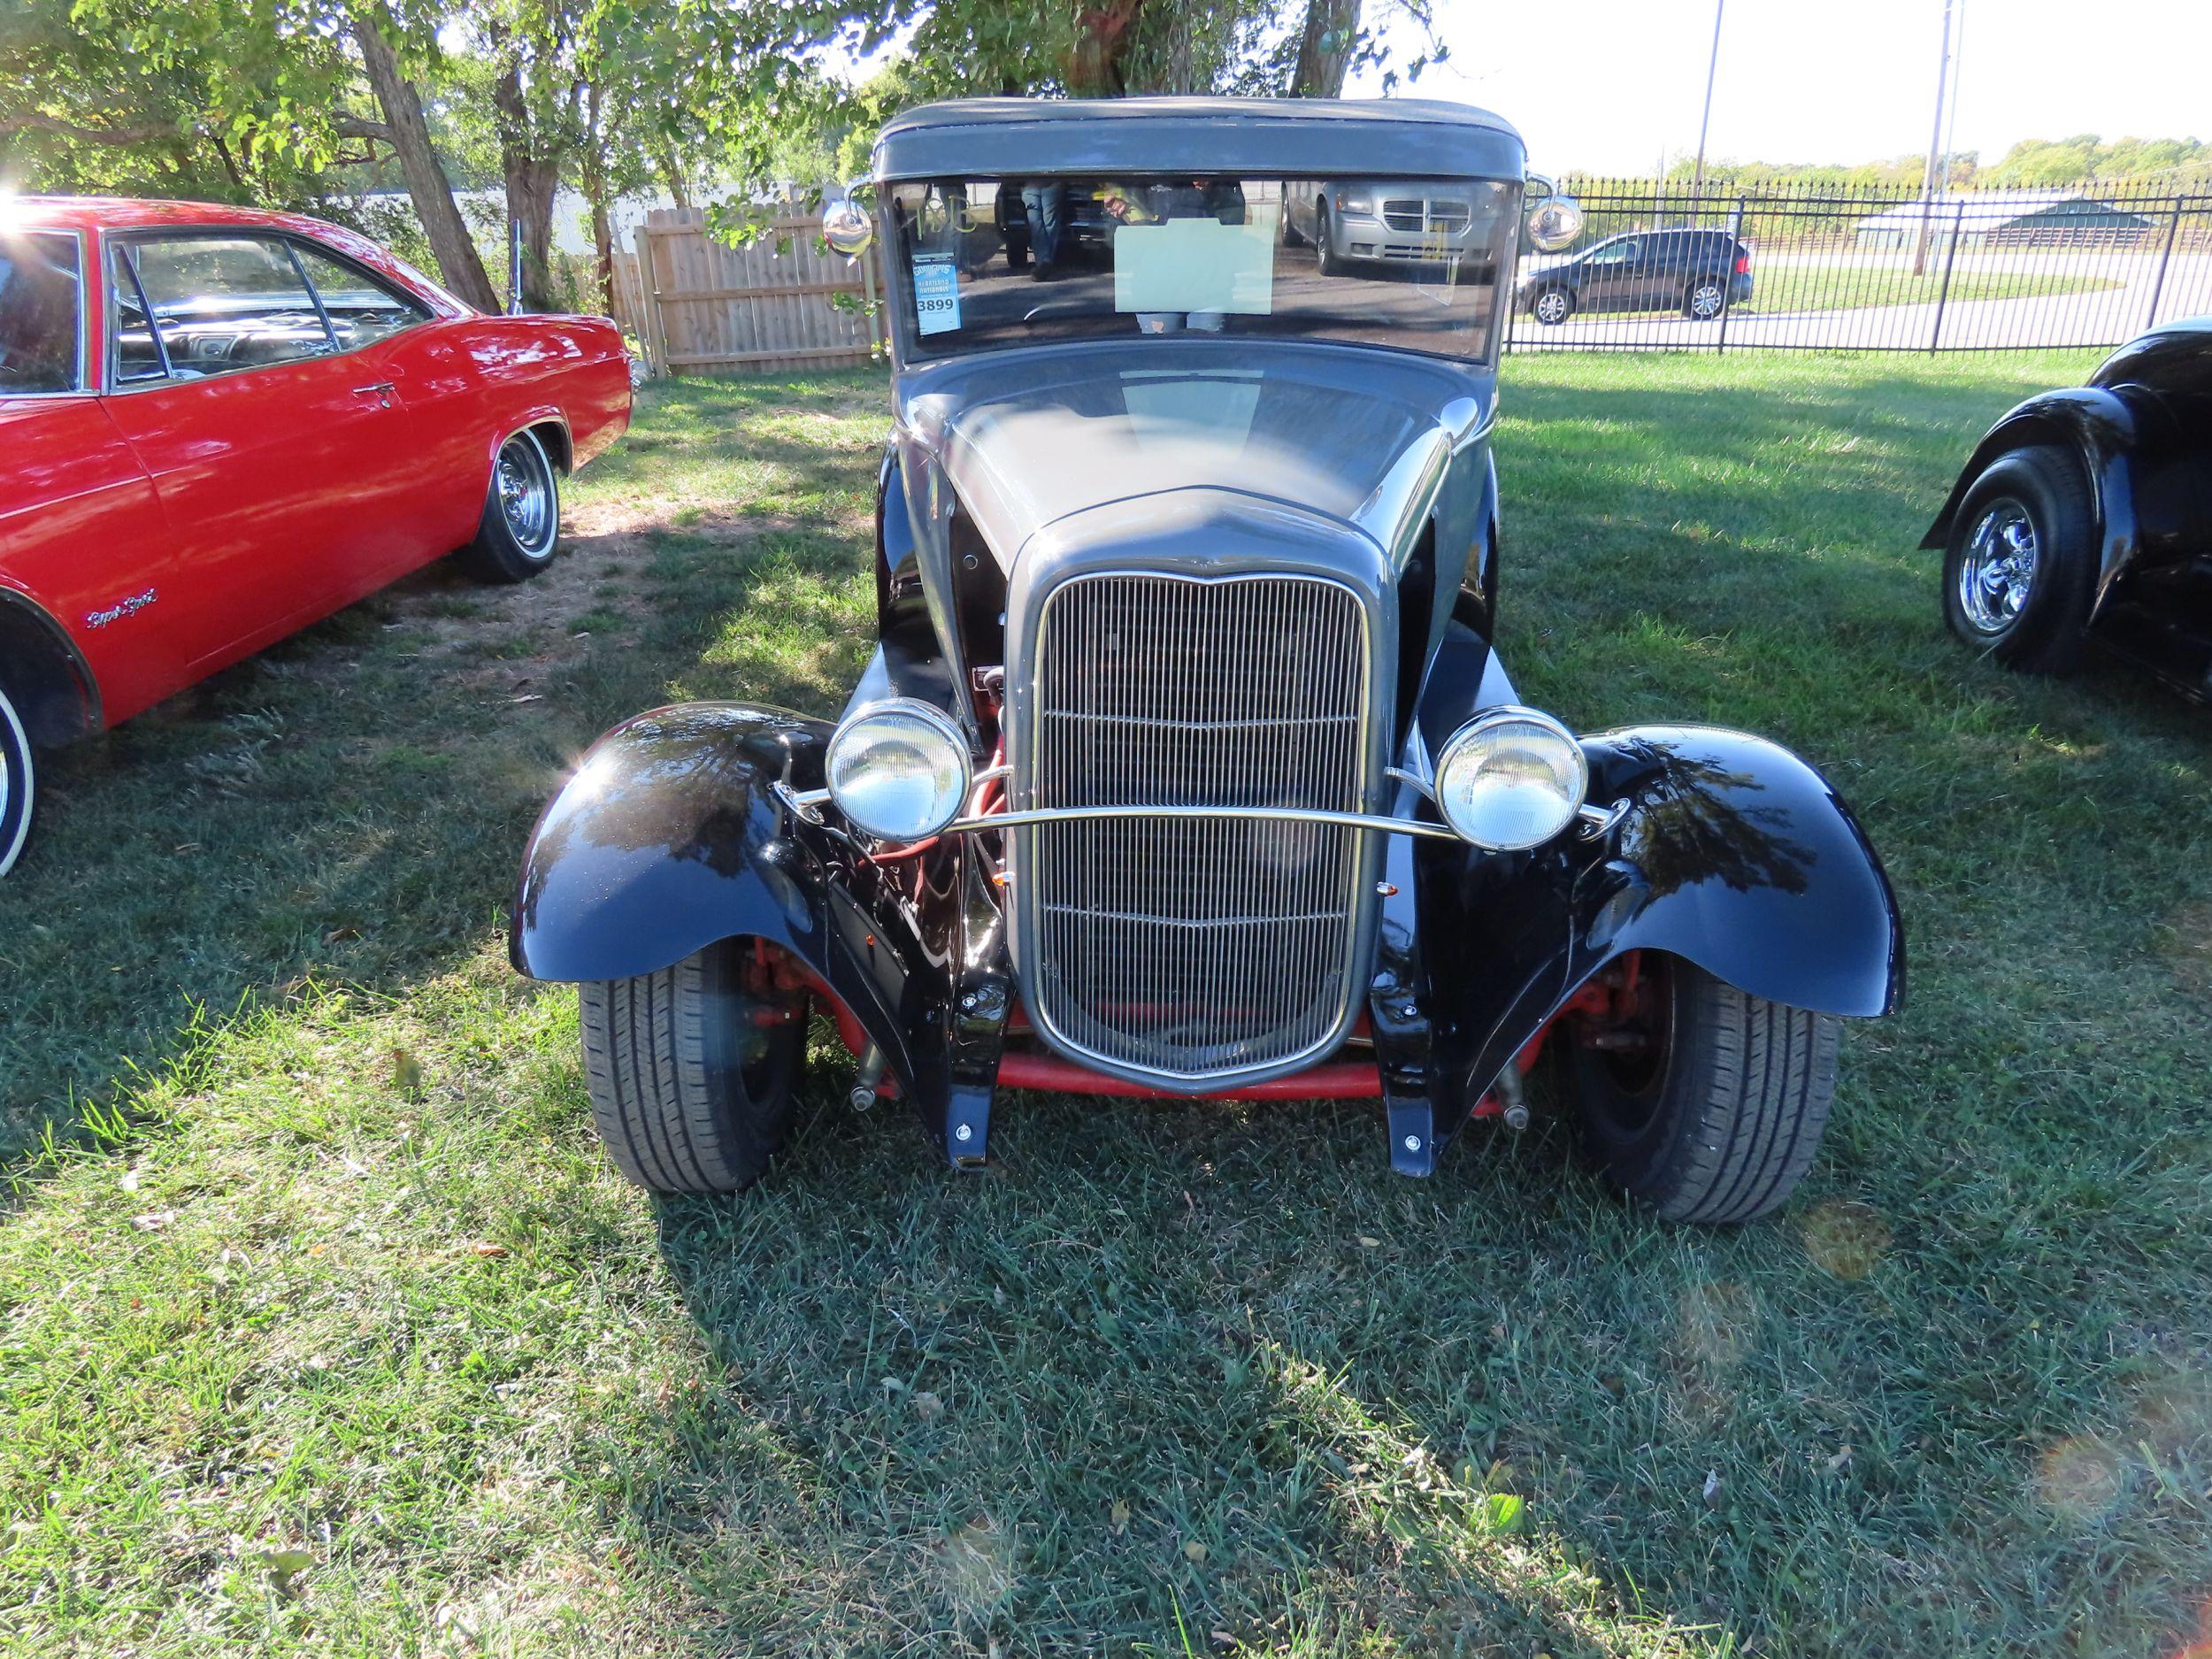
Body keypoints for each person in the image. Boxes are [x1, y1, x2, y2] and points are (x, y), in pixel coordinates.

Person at [1020, 181, 1065, 280]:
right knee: (1050, 223)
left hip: (1030, 186)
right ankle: (1045, 262)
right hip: (1052, 183)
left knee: (1036, 225)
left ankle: (1043, 262)